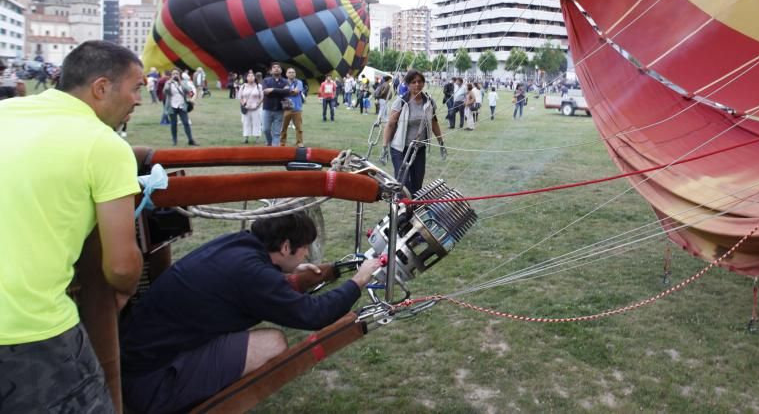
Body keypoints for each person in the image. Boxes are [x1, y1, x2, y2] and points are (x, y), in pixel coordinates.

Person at [0, 40, 144, 412]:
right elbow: (121, 265)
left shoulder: (7, 111)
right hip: (28, 330)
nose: (139, 99)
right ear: (101, 88)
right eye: (136, 87)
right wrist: (124, 290)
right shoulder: (104, 146)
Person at [119, 213, 380, 414]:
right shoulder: (254, 274)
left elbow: (258, 281)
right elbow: (315, 315)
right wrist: (357, 281)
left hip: (139, 358)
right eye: (304, 249)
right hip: (150, 383)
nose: (308, 254)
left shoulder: (239, 245)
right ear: (286, 247)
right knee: (272, 343)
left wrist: (290, 272)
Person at [381, 70, 446, 192]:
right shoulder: (401, 101)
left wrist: (441, 142)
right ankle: (401, 209)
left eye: (420, 81)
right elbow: (390, 125)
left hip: (419, 149)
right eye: (413, 82)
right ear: (407, 84)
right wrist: (384, 147)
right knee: (403, 185)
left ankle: (413, 209)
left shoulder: (429, 102)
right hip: (400, 149)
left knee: (417, 185)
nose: (417, 84)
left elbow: (434, 122)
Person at [164, 68, 198, 146]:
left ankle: (190, 140)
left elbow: (191, 92)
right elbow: (165, 91)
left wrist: (180, 82)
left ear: (179, 75)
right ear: (171, 75)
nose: (175, 75)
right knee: (174, 124)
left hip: (182, 106)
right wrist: (170, 81)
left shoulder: (183, 83)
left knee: (186, 123)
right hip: (172, 106)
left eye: (177, 74)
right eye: (173, 74)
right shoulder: (168, 83)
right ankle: (174, 141)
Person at [261, 62, 290, 146]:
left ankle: (274, 150)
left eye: (278, 67)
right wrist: (280, 91)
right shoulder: (266, 80)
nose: (276, 68)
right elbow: (265, 92)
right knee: (265, 129)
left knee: (277, 133)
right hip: (267, 109)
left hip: (279, 110)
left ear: (281, 70)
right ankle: (269, 142)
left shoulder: (285, 81)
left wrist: (273, 90)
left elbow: (287, 92)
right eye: (274, 67)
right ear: (271, 71)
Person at [279, 68, 305, 147]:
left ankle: (299, 142)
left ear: (295, 74)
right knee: (283, 127)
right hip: (286, 108)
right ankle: (282, 143)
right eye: (289, 72)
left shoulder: (299, 82)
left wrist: (286, 91)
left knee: (299, 128)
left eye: (293, 72)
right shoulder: (283, 82)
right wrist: (290, 91)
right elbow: (281, 92)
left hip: (297, 108)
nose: (291, 74)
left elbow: (296, 92)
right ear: (286, 74)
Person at [237, 71, 264, 143]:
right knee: (246, 123)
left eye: (252, 76)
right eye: (249, 76)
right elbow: (240, 97)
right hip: (246, 108)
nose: (251, 77)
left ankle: (257, 138)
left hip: (256, 108)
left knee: (257, 123)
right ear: (246, 78)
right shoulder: (243, 86)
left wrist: (258, 104)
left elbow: (262, 97)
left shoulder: (259, 86)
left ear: (255, 77)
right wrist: (243, 104)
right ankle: (246, 138)